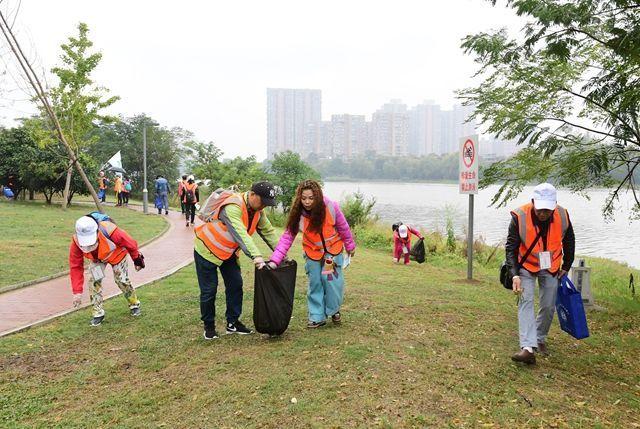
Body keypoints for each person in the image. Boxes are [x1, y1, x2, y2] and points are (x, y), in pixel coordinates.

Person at [194, 181, 279, 340]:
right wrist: (257, 257)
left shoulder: (257, 211)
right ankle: (209, 327)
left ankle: (232, 323)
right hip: (206, 248)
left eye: (267, 204)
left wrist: (282, 254)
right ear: (252, 195)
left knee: (235, 285)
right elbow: (241, 234)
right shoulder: (232, 207)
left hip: (228, 253)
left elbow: (268, 232)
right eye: (263, 202)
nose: (264, 206)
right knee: (209, 290)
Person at [269, 180, 356, 328]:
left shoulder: (331, 207)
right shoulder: (298, 213)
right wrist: (275, 260)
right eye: (303, 198)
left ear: (317, 196)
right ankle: (317, 317)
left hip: (331, 255)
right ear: (299, 198)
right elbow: (287, 237)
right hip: (312, 254)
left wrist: (350, 245)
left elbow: (343, 227)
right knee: (315, 284)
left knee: (331, 282)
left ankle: (334, 310)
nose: (307, 202)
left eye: (311, 198)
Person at [506, 183, 575, 365]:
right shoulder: (519, 216)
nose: (543, 213)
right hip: (526, 265)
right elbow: (511, 248)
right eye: (540, 209)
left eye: (547, 209)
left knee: (548, 305)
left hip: (551, 266)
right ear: (533, 202)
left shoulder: (562, 215)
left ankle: (539, 338)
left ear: (554, 205)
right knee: (525, 301)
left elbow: (569, 240)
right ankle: (527, 348)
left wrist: (566, 265)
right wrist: (514, 274)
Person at [69, 214, 146, 326]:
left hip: (117, 254)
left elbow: (131, 244)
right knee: (94, 281)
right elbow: (75, 266)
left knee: (121, 279)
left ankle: (134, 303)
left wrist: (137, 260)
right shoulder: (76, 242)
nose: (88, 246)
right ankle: (98, 313)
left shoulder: (111, 231)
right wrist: (77, 292)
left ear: (96, 233)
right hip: (97, 259)